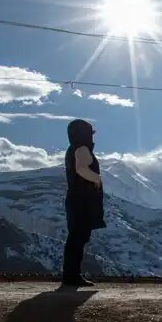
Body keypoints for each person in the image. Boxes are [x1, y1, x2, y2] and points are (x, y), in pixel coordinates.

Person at [62, 119, 106, 286]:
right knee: (78, 238)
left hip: (76, 199)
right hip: (82, 201)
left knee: (76, 237)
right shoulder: (82, 148)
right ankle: (72, 277)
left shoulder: (72, 149)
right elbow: (81, 168)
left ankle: (71, 275)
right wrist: (96, 178)